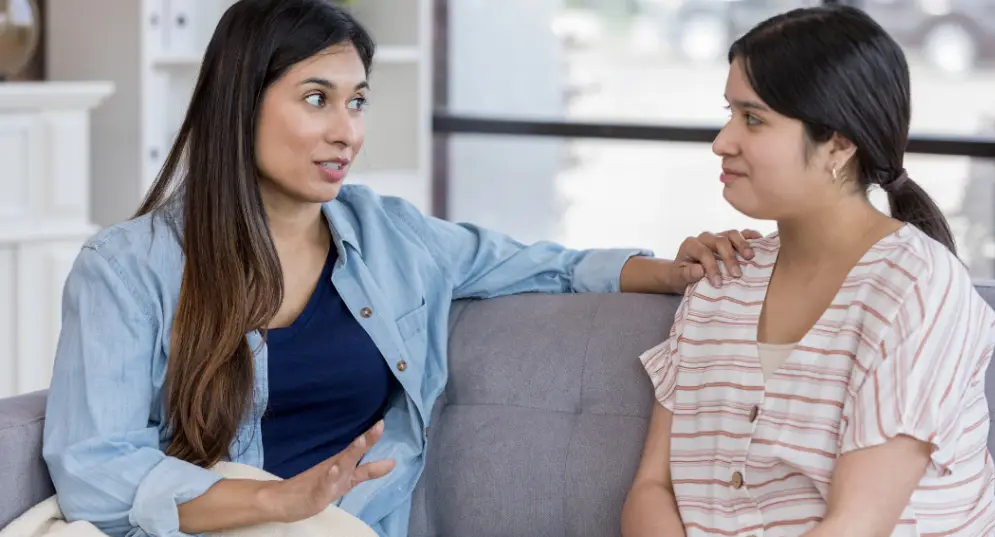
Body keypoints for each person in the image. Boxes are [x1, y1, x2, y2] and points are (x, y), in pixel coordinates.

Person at [39, 1, 755, 536]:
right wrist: (277, 501)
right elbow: (95, 468)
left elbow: (549, 266)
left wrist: (671, 270)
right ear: (241, 102)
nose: (345, 130)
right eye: (316, 99)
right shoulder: (127, 267)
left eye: (356, 102)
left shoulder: (390, 236)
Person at [622, 5, 995, 537]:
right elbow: (651, 490)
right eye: (729, 112)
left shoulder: (916, 288)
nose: (722, 141)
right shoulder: (721, 279)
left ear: (839, 143)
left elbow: (858, 524)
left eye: (752, 119)